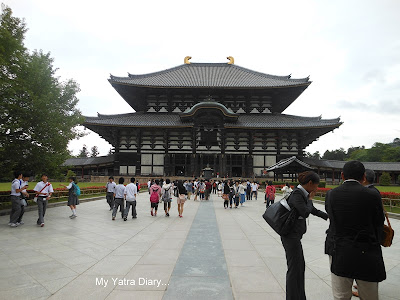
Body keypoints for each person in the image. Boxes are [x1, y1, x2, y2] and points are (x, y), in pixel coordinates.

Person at [325, 161, 386, 300]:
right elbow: (378, 223)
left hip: (340, 250)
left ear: (342, 176)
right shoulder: (373, 195)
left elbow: (332, 219)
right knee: (369, 296)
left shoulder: (331, 194)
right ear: (364, 177)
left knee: (341, 296)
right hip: (367, 251)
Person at [281, 171, 328, 300]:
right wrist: (311, 199)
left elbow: (311, 210)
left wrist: (327, 216)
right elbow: (305, 211)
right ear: (310, 183)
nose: (317, 189)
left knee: (299, 267)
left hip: (294, 235)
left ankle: (299, 296)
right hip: (290, 235)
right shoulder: (297, 193)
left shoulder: (301, 193)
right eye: (316, 185)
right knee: (294, 268)